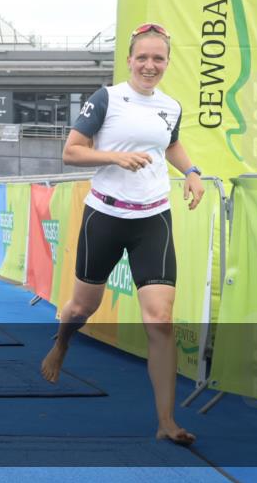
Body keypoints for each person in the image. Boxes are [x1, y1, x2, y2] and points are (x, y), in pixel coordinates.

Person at [39, 23, 204, 446]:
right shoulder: (106, 98)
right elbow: (71, 150)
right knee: (80, 307)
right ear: (129, 60)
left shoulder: (171, 105)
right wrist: (113, 156)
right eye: (143, 58)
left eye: (159, 59)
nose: (150, 65)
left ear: (167, 62)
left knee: (160, 318)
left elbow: (170, 145)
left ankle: (167, 422)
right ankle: (61, 343)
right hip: (106, 216)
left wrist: (191, 172)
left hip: (154, 217)